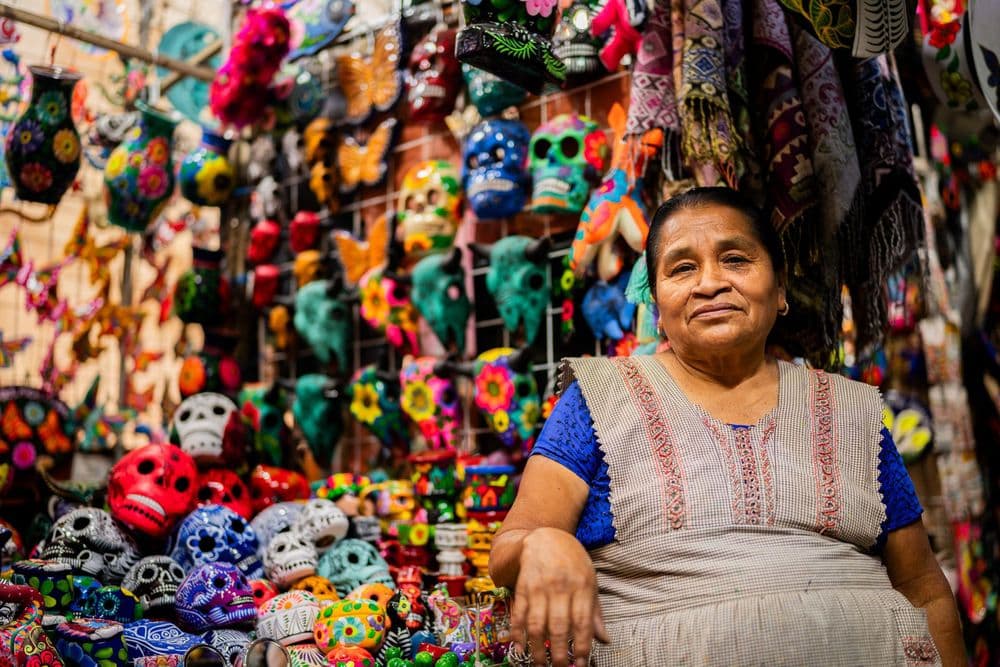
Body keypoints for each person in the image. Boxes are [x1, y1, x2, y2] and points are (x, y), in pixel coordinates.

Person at [489, 187, 965, 666]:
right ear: (657, 302)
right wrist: (543, 542)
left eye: (735, 259)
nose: (710, 283)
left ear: (779, 289)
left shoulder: (852, 411)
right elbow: (508, 547)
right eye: (682, 268)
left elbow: (923, 587)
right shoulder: (598, 399)